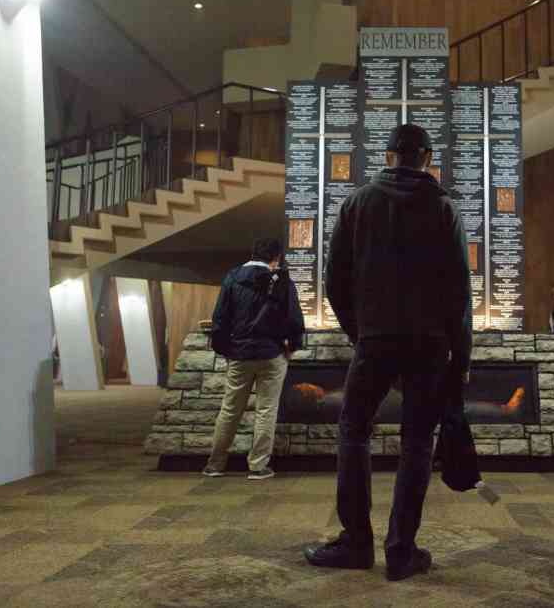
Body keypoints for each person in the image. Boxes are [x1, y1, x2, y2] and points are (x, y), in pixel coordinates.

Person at [303, 124, 472, 581]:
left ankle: (356, 543)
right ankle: (401, 551)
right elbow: (459, 291)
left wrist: (361, 333)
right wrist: (461, 357)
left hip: (375, 339)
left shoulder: (357, 203)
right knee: (417, 441)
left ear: (387, 155)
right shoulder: (443, 207)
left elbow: (335, 281)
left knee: (353, 431)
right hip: (429, 344)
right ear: (427, 158)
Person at [202, 238, 305, 480]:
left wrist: (225, 350)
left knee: (230, 410)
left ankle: (215, 465)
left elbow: (220, 318)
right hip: (272, 354)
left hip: (239, 354)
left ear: (253, 254)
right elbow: (294, 319)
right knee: (266, 411)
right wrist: (292, 346)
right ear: (276, 257)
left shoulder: (233, 277)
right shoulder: (282, 281)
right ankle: (258, 466)